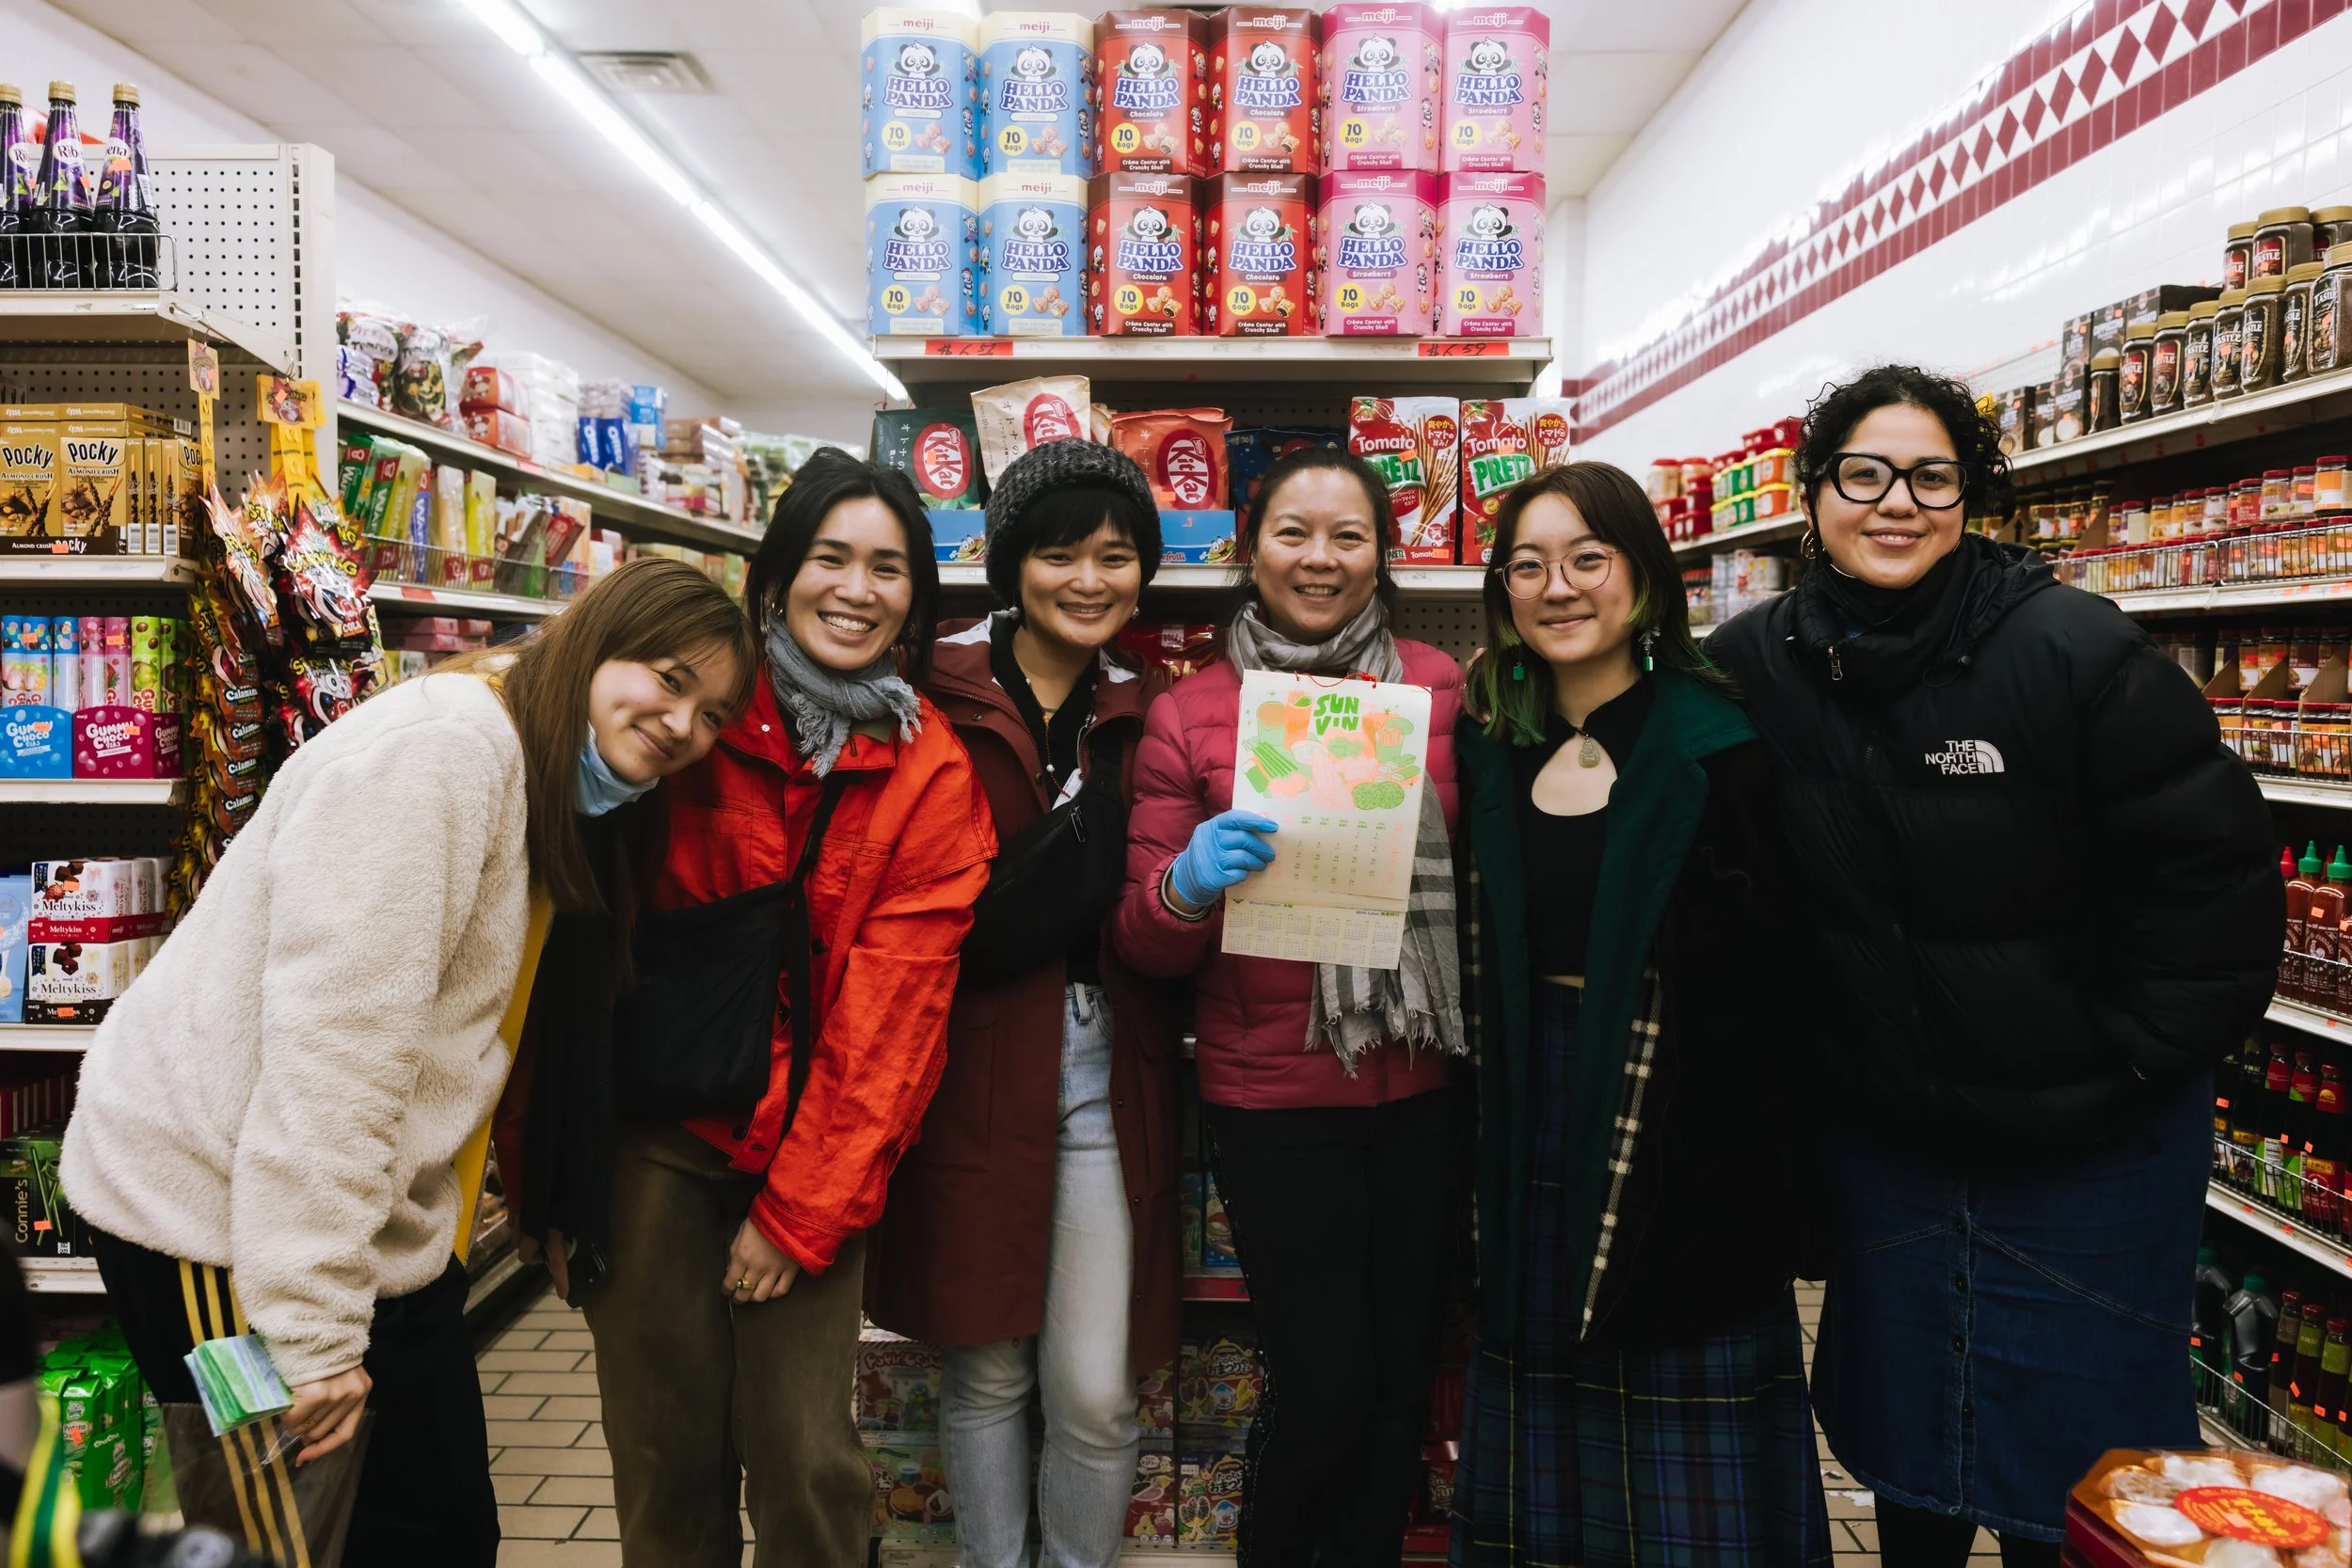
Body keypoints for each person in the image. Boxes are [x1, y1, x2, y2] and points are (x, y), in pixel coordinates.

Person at [58, 557, 755, 1568]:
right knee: (294, 1533)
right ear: (594, 640)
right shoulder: (443, 755)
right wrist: (313, 1332)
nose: (684, 721)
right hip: (221, 1225)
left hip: (353, 1224)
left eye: (715, 711)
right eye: (667, 675)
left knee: (435, 1529)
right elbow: (333, 1052)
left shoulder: (532, 762)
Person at [1707, 365, 2282, 1566]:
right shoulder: (1758, 662)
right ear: (1812, 496)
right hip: (1896, 1137)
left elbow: (2215, 885)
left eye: (1931, 475)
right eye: (1862, 473)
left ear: (1972, 494)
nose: (1895, 502)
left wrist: (2120, 1065)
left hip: (2087, 1146)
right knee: (1909, 1438)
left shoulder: (2071, 648)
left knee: (2074, 1471)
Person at [577, 450, 993, 1568]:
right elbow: (572, 938)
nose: (857, 588)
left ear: (919, 595)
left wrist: (797, 1212)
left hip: (807, 1159)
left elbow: (892, 1023)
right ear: (777, 572)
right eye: (830, 557)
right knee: (664, 1458)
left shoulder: (929, 775)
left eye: (889, 567)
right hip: (654, 1142)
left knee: (808, 1461)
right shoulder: (685, 709)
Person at [1448, 463, 1831, 1567]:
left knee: (1679, 1469)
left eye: (1585, 558)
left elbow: (1781, 993)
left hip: (1680, 1139)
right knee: (1544, 1442)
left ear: (1644, 579)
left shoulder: (1718, 750)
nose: (1555, 586)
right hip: (1530, 1113)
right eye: (1526, 564)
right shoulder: (1490, 746)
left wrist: (1780, 1191)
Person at [1114, 446, 1467, 1567]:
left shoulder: (1441, 687)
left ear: (1383, 553)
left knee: (1400, 1378)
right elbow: (1141, 938)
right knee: (1324, 1382)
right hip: (1274, 1099)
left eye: (1348, 536)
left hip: (1425, 1088)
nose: (1320, 559)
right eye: (1293, 533)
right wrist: (1188, 883)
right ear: (1248, 548)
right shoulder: (1190, 713)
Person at [866, 439, 1183, 1568]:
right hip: (967, 1057)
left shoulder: (1155, 712)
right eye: (1059, 554)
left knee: (1095, 1385)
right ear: (1011, 564)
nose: (1089, 580)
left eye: (1115, 555)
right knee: (986, 1362)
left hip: (1108, 1056)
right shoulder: (930, 695)